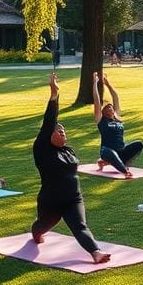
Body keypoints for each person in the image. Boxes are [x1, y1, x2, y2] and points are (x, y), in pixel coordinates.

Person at [31, 73, 110, 264]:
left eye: (64, 131)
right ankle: (35, 232)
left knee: (80, 226)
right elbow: (49, 120)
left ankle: (96, 252)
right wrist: (54, 94)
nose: (62, 132)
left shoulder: (68, 150)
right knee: (42, 226)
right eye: (58, 130)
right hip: (51, 201)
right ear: (49, 134)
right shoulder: (42, 148)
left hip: (73, 198)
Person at [92, 71, 143, 178]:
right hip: (106, 151)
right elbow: (96, 101)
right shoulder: (101, 120)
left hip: (121, 151)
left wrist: (108, 84)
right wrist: (95, 83)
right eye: (107, 107)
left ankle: (117, 162)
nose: (110, 107)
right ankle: (125, 172)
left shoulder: (117, 118)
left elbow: (115, 97)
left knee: (139, 144)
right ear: (103, 111)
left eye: (111, 107)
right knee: (111, 153)